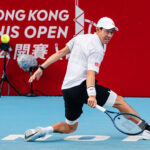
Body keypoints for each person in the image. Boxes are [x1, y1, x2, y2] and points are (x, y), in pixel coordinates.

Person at [24, 17, 150, 141]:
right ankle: (147, 129)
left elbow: (60, 53)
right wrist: (91, 95)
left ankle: (44, 130)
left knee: (70, 127)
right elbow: (90, 73)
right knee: (119, 102)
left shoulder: (80, 38)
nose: (109, 35)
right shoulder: (97, 48)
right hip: (82, 87)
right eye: (106, 31)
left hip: (67, 90)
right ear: (97, 29)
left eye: (112, 32)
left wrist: (41, 68)